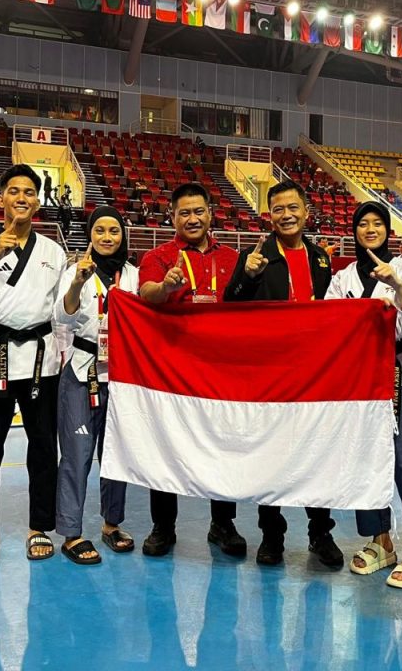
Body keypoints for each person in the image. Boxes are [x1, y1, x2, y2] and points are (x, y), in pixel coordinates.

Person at [224, 179, 345, 568]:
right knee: (271, 457)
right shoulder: (256, 255)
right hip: (271, 376)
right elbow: (231, 304)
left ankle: (320, 533)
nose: (286, 215)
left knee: (318, 456)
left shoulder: (321, 258)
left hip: (315, 375)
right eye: (278, 209)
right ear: (269, 215)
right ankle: (271, 536)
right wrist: (248, 275)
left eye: (293, 208)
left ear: (306, 211)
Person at [0, 165, 68, 567]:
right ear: (0, 198)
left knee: (42, 448)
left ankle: (39, 527)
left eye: (29, 192)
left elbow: (60, 311)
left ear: (37, 202)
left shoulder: (53, 252)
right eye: (14, 191)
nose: (22, 197)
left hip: (41, 360)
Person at [326, 202, 402, 588]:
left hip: (400, 373)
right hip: (360, 378)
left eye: (377, 224)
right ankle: (380, 539)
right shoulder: (343, 277)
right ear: (354, 231)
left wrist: (398, 285)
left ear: (388, 230)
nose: (369, 229)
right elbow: (330, 320)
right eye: (363, 224)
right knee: (365, 461)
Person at [137, 182, 244, 558]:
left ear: (211, 214)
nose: (193, 218)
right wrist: (165, 287)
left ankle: (222, 524)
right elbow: (145, 294)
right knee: (166, 446)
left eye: (199, 211)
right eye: (184, 212)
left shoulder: (232, 258)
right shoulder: (159, 256)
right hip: (173, 369)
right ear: (172, 217)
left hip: (220, 368)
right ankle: (163, 526)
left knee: (222, 446)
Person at [54, 207, 138, 565]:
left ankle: (111, 523)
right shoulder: (76, 270)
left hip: (123, 373)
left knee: (116, 454)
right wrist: (76, 282)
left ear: (123, 235)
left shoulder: (133, 274)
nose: (107, 237)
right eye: (100, 231)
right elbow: (61, 316)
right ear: (90, 235)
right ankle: (72, 532)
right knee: (77, 453)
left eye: (114, 231)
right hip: (82, 369)